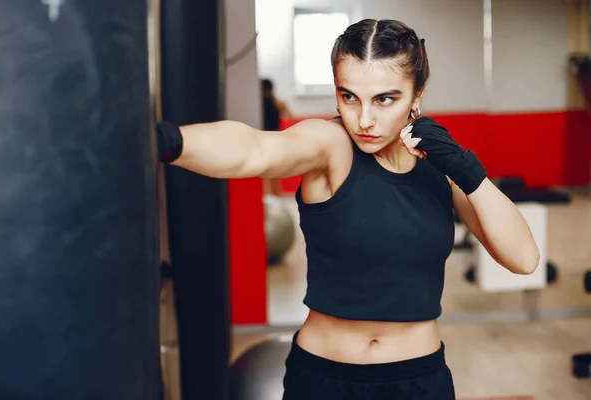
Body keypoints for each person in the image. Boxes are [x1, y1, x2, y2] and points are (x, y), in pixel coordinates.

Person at [156, 18, 540, 400]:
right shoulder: (330, 145)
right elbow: (253, 151)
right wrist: (165, 140)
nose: (364, 120)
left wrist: (465, 167)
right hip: (325, 379)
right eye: (349, 96)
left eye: (385, 99)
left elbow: (523, 259)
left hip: (419, 379)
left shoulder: (440, 164)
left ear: (417, 93)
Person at [261, 78, 292, 197]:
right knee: (275, 169)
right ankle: (276, 193)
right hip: (276, 138)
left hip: (263, 137)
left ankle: (269, 194)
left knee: (265, 169)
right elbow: (289, 117)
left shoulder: (258, 104)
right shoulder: (278, 103)